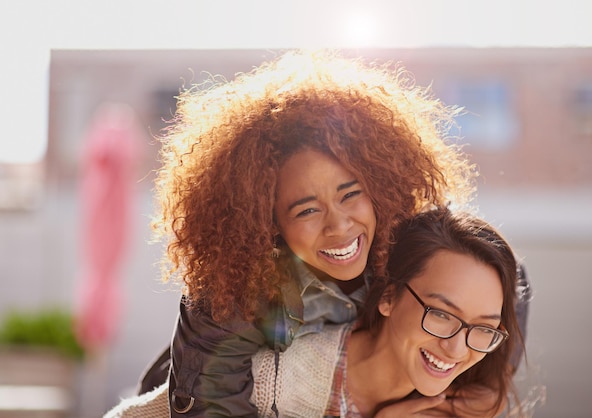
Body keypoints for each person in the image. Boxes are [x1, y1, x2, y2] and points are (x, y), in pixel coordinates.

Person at [137, 49, 527, 417]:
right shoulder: (232, 288)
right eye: (306, 209)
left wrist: (490, 385)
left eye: (351, 195)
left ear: (378, 187)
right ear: (269, 221)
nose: (339, 226)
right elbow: (209, 404)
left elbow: (508, 277)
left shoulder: (402, 240)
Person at [105, 207, 526, 417]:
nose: (456, 348)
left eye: (483, 329)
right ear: (388, 297)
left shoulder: (452, 403)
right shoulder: (267, 379)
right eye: (440, 314)